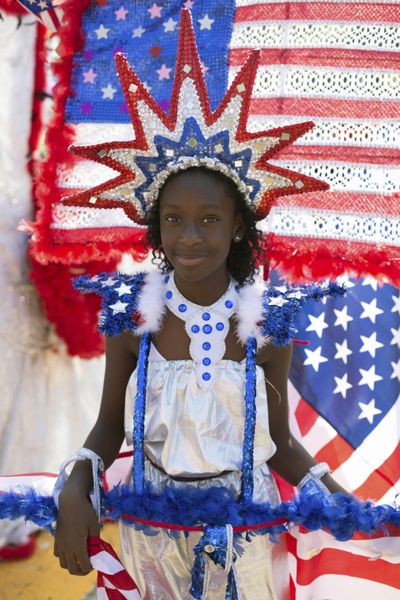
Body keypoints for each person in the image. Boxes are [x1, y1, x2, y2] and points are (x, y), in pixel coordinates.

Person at [52, 10, 347, 598]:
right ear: (155, 228)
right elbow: (110, 426)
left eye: (210, 220)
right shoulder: (132, 315)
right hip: (149, 532)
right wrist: (76, 484)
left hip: (247, 533)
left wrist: (339, 500)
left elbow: (281, 444)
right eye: (173, 220)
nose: (190, 237)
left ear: (239, 227)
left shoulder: (267, 322)